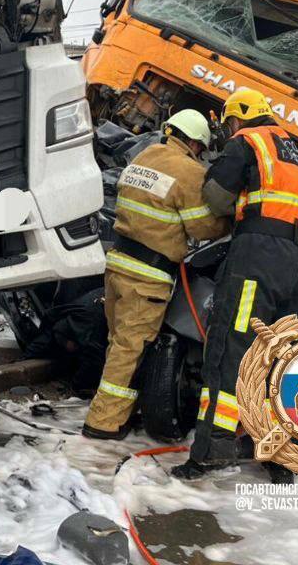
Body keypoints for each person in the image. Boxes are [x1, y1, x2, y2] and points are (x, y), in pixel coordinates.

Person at [172, 88, 298, 479]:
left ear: (238, 117)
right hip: (292, 261)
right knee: (276, 355)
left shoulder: (247, 141)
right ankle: (280, 457)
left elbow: (216, 197)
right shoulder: (293, 150)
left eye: (230, 121)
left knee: (230, 349)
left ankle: (211, 451)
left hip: (256, 256)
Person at [83, 109, 229, 440]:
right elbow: (203, 228)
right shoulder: (189, 171)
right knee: (130, 348)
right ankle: (103, 423)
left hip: (118, 263)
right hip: (148, 276)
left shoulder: (145, 156)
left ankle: (118, 410)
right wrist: (230, 219)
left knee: (118, 343)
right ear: (196, 142)